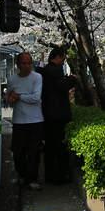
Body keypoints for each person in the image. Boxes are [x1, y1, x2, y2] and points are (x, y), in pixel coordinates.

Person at [6, 52, 44, 190]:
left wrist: (19, 96)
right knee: (18, 152)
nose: (27, 66)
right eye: (24, 63)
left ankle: (32, 178)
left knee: (34, 151)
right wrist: (11, 98)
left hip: (35, 120)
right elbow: (8, 98)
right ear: (18, 65)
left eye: (29, 63)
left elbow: (36, 98)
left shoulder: (37, 77)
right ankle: (22, 175)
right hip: (19, 120)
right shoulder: (12, 79)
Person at [38, 46, 74, 184]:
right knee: (59, 146)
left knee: (49, 147)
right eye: (63, 59)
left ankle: (50, 175)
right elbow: (62, 86)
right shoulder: (55, 70)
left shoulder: (44, 71)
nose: (63, 62)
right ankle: (59, 176)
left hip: (47, 114)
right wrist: (72, 80)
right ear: (57, 57)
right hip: (58, 115)